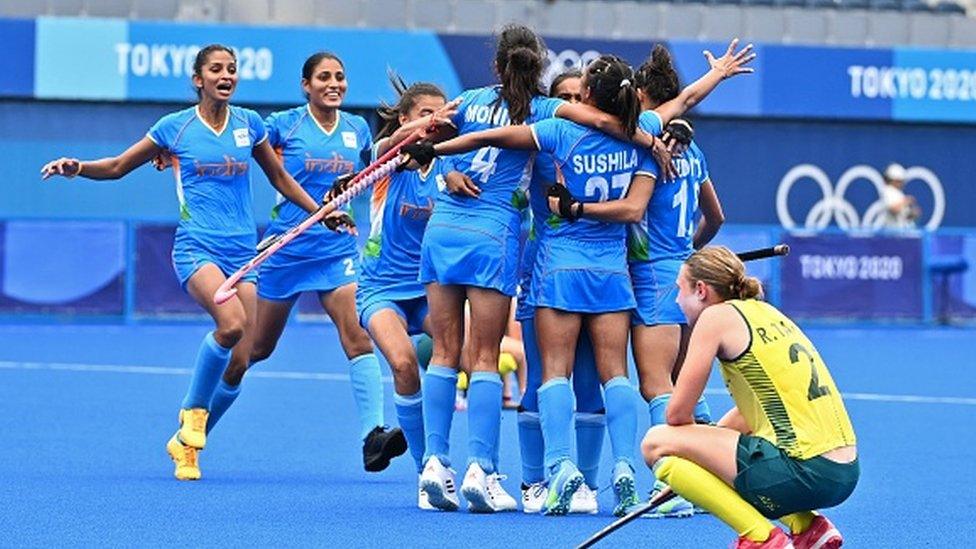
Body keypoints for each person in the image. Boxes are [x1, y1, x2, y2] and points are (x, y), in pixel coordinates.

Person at [40, 44, 322, 481]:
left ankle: (187, 445)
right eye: (216, 69)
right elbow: (116, 166)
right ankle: (193, 413)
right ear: (198, 79)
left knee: (242, 359)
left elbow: (281, 178)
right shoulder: (175, 127)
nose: (226, 75)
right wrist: (79, 167)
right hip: (198, 249)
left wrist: (319, 210)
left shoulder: (250, 125)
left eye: (231, 69)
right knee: (231, 326)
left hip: (243, 254)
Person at [413, 24, 653, 514]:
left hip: (443, 231)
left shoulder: (467, 101)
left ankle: (435, 465)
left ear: (497, 65)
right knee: (484, 356)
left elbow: (431, 135)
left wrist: (438, 161)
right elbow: (606, 123)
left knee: (443, 352)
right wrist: (650, 137)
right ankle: (483, 468)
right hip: (497, 236)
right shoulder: (549, 114)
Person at [208, 52, 406, 474]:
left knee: (357, 336)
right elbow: (239, 143)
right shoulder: (285, 124)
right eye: (323, 78)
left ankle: (373, 435)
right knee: (253, 350)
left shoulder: (356, 129)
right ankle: (199, 423)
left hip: (335, 253)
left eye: (339, 76)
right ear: (306, 85)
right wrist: (171, 155)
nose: (333, 84)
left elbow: (376, 167)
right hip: (285, 252)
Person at [641, 246, 858, 549]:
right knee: (701, 449)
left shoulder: (715, 318)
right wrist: (699, 469)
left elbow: (676, 416)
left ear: (701, 290)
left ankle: (760, 538)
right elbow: (748, 414)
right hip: (844, 473)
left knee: (655, 442)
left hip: (805, 471)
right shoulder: (766, 312)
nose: (677, 300)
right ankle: (808, 526)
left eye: (680, 290)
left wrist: (686, 463)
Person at [627, 42, 738, 518]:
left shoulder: (646, 146)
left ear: (646, 94)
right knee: (683, 386)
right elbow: (716, 216)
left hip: (655, 276)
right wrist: (688, 252)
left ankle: (672, 489)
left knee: (657, 387)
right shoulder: (695, 151)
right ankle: (712, 475)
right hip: (690, 279)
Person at [355, 77, 456, 507]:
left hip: (431, 287)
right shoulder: (387, 162)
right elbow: (388, 145)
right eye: (423, 115)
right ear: (404, 118)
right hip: (381, 288)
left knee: (466, 358)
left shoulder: (451, 163)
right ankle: (425, 470)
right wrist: (407, 140)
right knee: (401, 364)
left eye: (440, 115)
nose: (432, 123)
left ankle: (447, 455)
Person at [880, 163, 920, 230]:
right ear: (894, 180)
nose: (902, 183)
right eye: (899, 181)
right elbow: (893, 209)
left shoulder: (898, 193)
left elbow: (903, 216)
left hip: (903, 232)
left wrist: (912, 214)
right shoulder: (887, 191)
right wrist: (906, 201)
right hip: (894, 234)